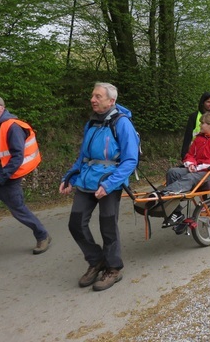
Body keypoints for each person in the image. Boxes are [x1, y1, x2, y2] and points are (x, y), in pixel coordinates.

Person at [59, 83, 139, 292]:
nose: (93, 99)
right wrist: (69, 176)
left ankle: (113, 268)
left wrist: (109, 184)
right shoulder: (92, 123)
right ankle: (97, 261)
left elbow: (130, 160)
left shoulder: (122, 124)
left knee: (108, 226)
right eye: (92, 95)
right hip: (86, 180)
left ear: (111, 101)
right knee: (75, 223)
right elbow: (83, 156)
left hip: (110, 181)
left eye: (98, 96)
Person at [0, 95, 51, 255]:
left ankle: (42, 235)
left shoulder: (12, 127)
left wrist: (1, 177)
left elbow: (17, 156)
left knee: (19, 211)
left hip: (5, 180)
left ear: (2, 107)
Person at [162, 112, 210, 227]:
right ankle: (175, 211)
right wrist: (190, 163)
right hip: (198, 169)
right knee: (173, 172)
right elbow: (190, 155)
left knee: (191, 177)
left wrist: (200, 167)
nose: (200, 126)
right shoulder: (199, 139)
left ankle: (165, 195)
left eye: (203, 123)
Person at [180, 92, 210, 160]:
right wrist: (184, 154)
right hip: (196, 149)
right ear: (203, 102)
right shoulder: (194, 116)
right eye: (208, 102)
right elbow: (188, 136)